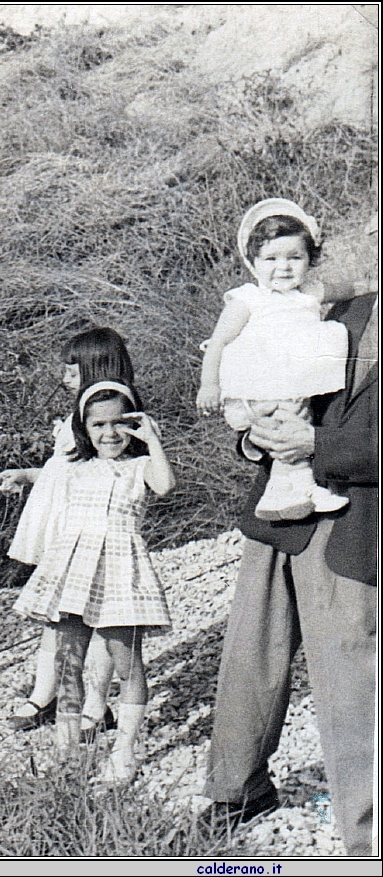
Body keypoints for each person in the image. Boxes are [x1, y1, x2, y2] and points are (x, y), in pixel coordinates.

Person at [204, 289, 377, 855]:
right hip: (280, 511)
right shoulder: (341, 310)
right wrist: (253, 436)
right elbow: (269, 368)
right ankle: (239, 790)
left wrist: (318, 444)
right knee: (250, 654)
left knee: (350, 678)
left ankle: (365, 835)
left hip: (360, 521)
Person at [12, 380, 176, 784]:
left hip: (121, 568)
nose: (110, 433)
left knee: (126, 661)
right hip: (73, 567)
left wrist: (152, 439)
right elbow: (47, 507)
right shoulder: (73, 468)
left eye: (120, 423)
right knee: (67, 660)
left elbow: (166, 485)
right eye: (98, 424)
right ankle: (66, 755)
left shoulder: (140, 467)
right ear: (83, 427)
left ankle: (124, 751)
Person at [0, 328, 136, 738]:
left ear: (96, 366)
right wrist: (27, 474)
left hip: (86, 524)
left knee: (95, 611)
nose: (65, 377)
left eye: (73, 369)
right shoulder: (83, 415)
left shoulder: (112, 417)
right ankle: (47, 692)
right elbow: (64, 470)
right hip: (59, 516)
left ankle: (96, 701)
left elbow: (106, 473)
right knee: (58, 613)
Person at [196, 198, 364, 521]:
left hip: (294, 379)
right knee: (288, 423)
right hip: (262, 380)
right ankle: (288, 492)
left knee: (298, 422)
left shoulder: (307, 293)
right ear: (253, 261)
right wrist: (209, 384)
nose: (283, 267)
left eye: (294, 257)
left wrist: (370, 283)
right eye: (271, 258)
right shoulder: (249, 299)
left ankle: (295, 488)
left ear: (310, 259)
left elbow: (348, 288)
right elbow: (218, 341)